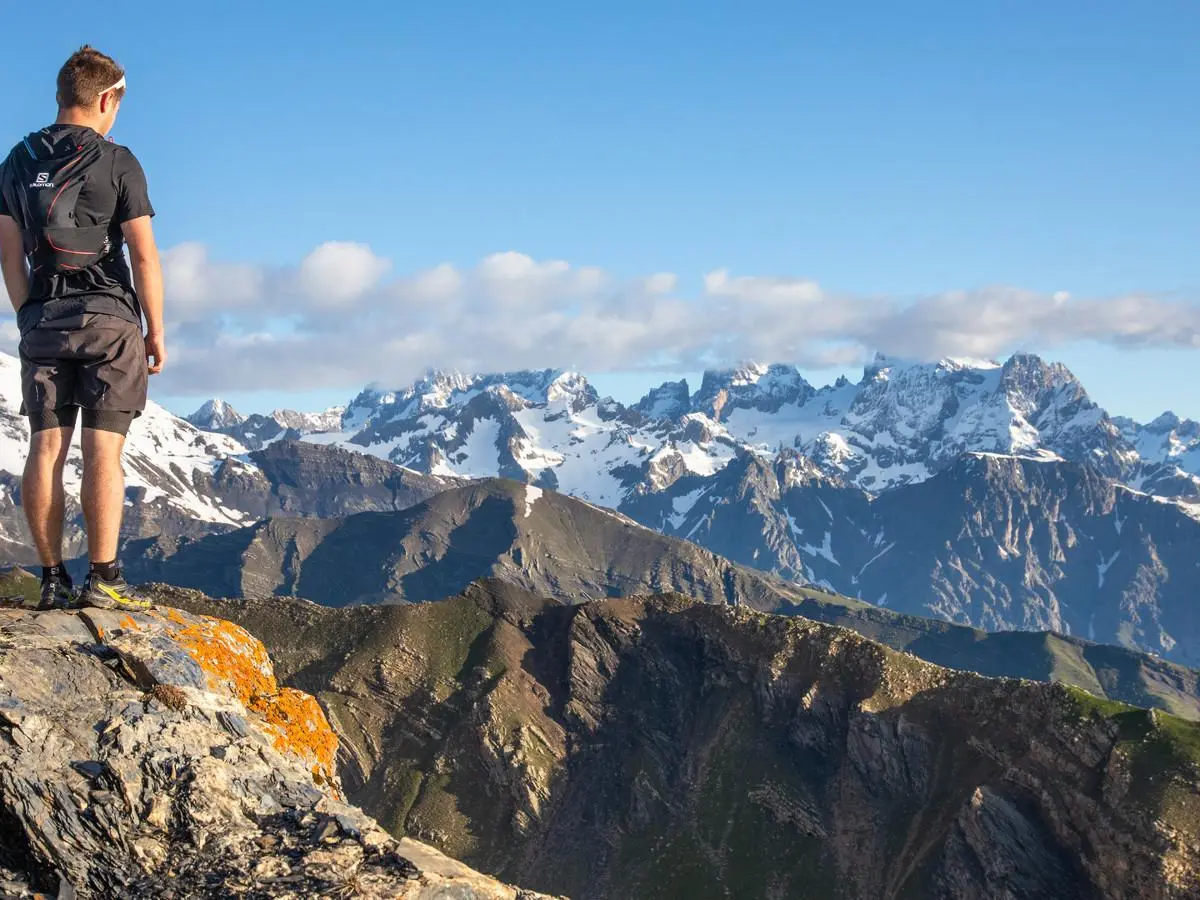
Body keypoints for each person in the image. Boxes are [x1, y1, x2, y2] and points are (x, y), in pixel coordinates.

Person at [0, 46, 166, 611]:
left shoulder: (16, 160)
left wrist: (28, 314)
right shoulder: (119, 161)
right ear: (105, 98)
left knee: (44, 449)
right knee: (102, 452)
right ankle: (104, 578)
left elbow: (9, 255)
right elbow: (143, 256)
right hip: (109, 322)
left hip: (43, 320)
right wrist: (155, 329)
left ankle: (51, 580)